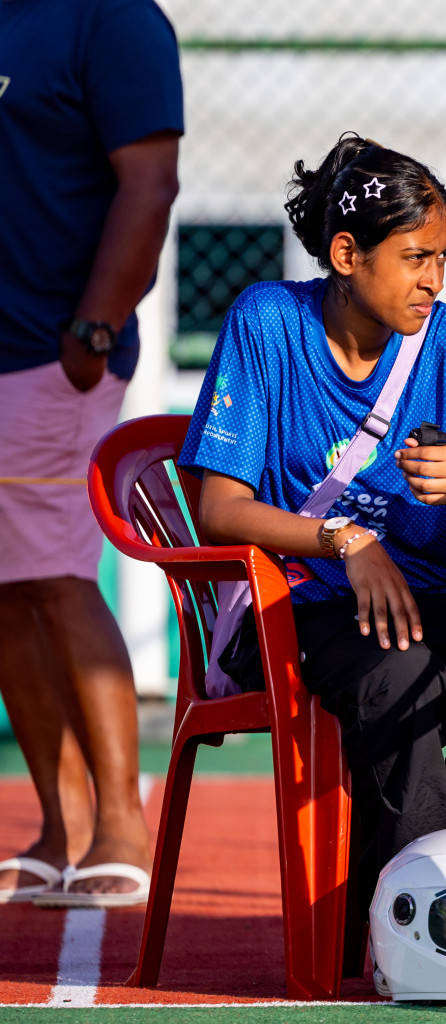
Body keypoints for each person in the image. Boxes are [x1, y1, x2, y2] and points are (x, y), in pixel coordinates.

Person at [178, 135, 446, 938]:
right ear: (347, 253)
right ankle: (409, 932)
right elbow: (218, 509)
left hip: (429, 590)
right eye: (416, 256)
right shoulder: (268, 322)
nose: (434, 279)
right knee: (405, 683)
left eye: (444, 257)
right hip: (297, 598)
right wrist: (347, 541)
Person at [0, 0, 182, 906]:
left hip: (51, 349)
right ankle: (58, 823)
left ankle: (121, 823)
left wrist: (94, 328)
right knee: (5, 589)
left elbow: (149, 184)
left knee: (58, 575)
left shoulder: (112, 20)